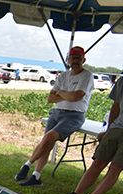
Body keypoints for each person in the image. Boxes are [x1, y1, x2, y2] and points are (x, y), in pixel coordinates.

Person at [15, 46, 94, 186]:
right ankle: (36, 177)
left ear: (83, 60)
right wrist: (66, 95)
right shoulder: (64, 75)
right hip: (57, 112)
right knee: (47, 143)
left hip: (74, 116)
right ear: (68, 59)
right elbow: (50, 98)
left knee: (48, 138)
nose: (75, 61)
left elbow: (76, 96)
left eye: (78, 58)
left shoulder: (86, 75)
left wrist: (61, 93)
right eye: (73, 58)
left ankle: (27, 165)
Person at [57, 76, 123, 194]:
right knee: (98, 162)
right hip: (116, 129)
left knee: (115, 168)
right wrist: (109, 129)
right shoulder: (122, 81)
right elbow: (116, 106)